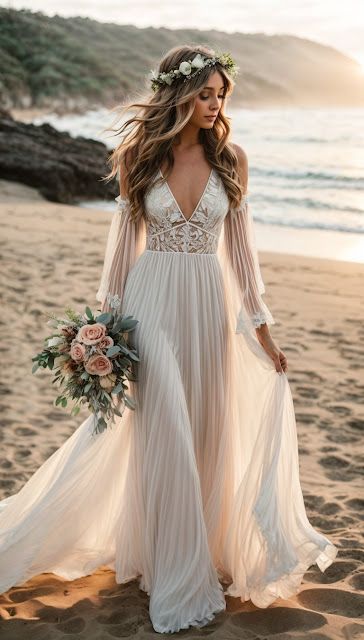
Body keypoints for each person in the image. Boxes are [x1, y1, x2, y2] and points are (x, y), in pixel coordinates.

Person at [0, 44, 337, 634]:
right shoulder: (139, 157)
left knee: (206, 426)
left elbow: (241, 254)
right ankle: (173, 568)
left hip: (209, 306)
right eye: (204, 93)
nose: (214, 104)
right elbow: (120, 251)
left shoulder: (232, 159)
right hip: (149, 305)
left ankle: (188, 550)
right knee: (169, 431)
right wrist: (101, 325)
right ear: (177, 94)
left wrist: (262, 331)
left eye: (220, 95)